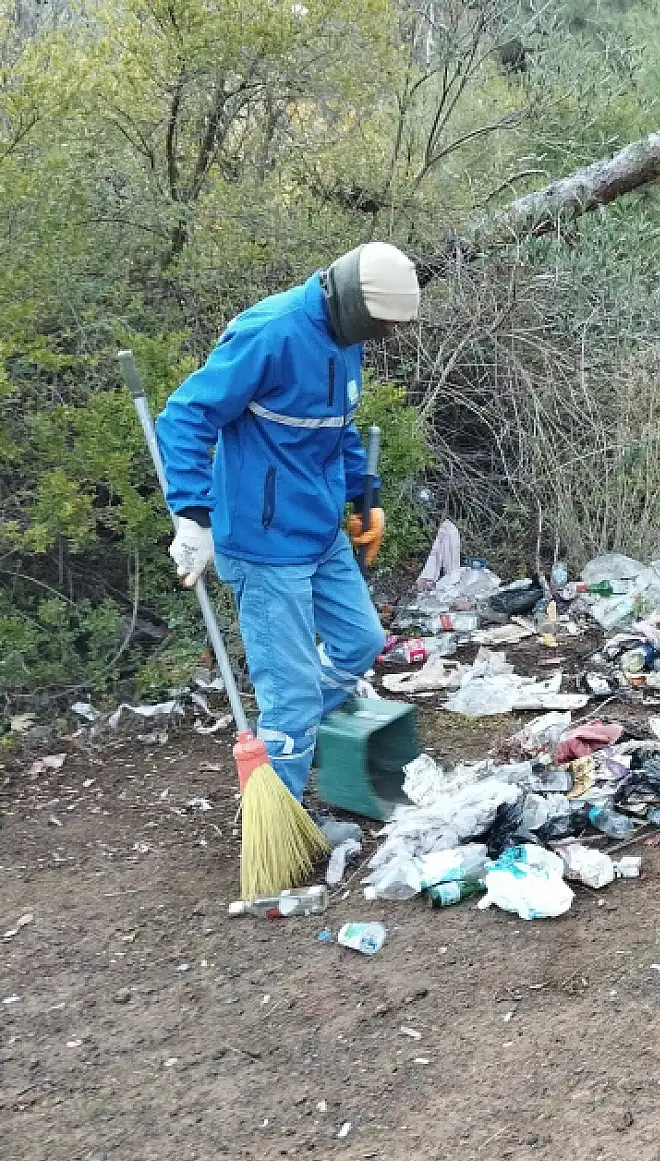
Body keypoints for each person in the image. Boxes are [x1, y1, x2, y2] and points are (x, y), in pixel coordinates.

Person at [156, 242, 421, 800]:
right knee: (292, 698)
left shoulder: (346, 342)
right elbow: (185, 417)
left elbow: (339, 426)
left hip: (320, 534)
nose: (385, 338)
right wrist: (193, 515)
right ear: (352, 302)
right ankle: (280, 825)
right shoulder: (269, 333)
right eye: (382, 325)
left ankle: (295, 733)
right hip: (264, 544)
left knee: (359, 642)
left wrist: (363, 498)